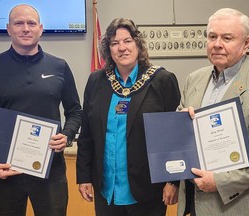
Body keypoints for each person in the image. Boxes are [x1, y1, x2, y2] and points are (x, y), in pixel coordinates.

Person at [177, 8, 249, 215]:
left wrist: (220, 181)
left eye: (227, 38)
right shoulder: (194, 79)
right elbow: (179, 134)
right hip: (195, 201)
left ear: (247, 42)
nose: (217, 44)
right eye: (212, 36)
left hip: (238, 204)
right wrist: (181, 122)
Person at [77, 18, 181, 216]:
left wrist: (173, 181)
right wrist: (84, 177)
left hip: (148, 190)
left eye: (127, 41)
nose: (122, 48)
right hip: (106, 191)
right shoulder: (96, 81)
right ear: (108, 50)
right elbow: (87, 134)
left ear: (138, 44)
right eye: (114, 43)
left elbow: (174, 137)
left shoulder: (162, 80)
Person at [0, 4, 82, 216]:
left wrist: (66, 135)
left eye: (31, 23)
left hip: (49, 168)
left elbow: (75, 111)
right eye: (18, 23)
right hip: (3, 170)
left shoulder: (59, 66)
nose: (25, 28)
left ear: (40, 28)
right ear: (8, 29)